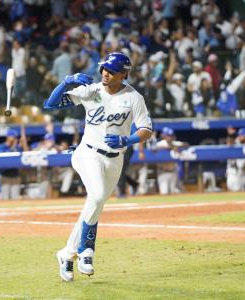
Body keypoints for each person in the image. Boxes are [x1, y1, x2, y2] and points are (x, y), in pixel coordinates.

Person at [44, 52, 153, 282]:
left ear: (124, 74)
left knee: (95, 203)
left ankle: (66, 254)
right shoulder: (91, 90)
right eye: (104, 68)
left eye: (112, 71)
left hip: (115, 159)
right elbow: (50, 104)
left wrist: (128, 140)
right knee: (97, 195)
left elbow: (146, 129)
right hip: (87, 153)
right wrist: (67, 81)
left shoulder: (134, 97)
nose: (106, 73)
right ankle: (86, 251)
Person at [155, 127, 188, 195]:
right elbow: (155, 148)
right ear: (164, 136)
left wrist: (177, 147)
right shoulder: (161, 143)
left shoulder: (175, 143)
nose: (170, 137)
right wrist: (172, 148)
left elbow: (186, 145)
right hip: (162, 172)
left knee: (174, 193)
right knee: (164, 193)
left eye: (171, 135)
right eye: (168, 135)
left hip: (174, 172)